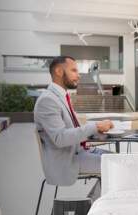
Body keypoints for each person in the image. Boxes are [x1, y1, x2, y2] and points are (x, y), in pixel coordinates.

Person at [34, 56, 113, 200]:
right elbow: (60, 138)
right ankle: (90, 211)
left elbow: (71, 131)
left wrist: (96, 130)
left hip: (79, 151)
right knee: (118, 167)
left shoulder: (60, 97)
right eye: (74, 70)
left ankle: (90, 206)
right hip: (67, 160)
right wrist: (94, 126)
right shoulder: (48, 100)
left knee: (119, 159)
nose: (78, 75)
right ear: (59, 71)